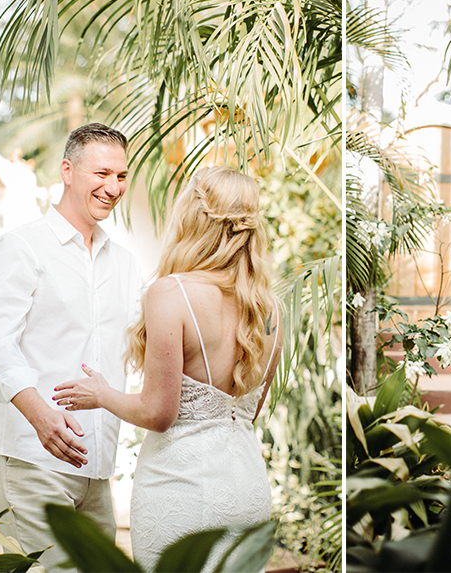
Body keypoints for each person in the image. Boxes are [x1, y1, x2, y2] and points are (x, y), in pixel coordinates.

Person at [53, 166, 282, 572]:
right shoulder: (271, 310)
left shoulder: (171, 293)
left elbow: (159, 414)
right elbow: (246, 412)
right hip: (246, 487)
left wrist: (101, 394)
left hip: (181, 490)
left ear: (192, 216)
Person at [0, 123, 142, 571]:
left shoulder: (127, 264)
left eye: (122, 177)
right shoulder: (22, 246)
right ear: (68, 170)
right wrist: (40, 415)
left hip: (97, 467)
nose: (113, 188)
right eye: (102, 173)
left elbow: (143, 347)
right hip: (31, 456)